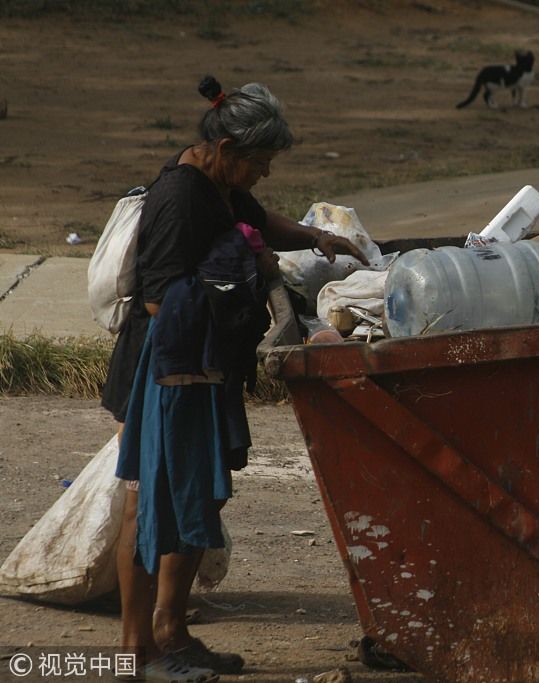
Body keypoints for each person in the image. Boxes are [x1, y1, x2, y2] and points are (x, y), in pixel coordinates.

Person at [102, 75, 366, 682]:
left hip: (202, 366)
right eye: (260, 162)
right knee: (149, 506)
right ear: (226, 151)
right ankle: (135, 648)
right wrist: (249, 274)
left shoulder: (218, 187)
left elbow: (255, 217)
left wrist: (316, 238)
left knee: (199, 497)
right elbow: (158, 302)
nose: (265, 174)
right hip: (165, 372)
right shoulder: (180, 196)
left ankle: (171, 628)